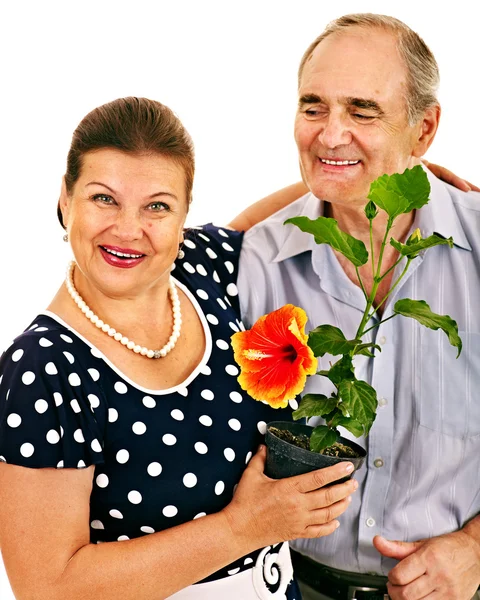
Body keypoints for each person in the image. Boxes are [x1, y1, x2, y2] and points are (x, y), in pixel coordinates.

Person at [0, 97, 359, 600]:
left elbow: (260, 224)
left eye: (157, 206)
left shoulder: (201, 267)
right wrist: (245, 527)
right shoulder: (45, 368)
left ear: (184, 216)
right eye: (103, 198)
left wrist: (387, 166)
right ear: (65, 198)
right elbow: (47, 586)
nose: (128, 229)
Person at [236, 13, 480, 600]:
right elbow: (141, 260)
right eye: (313, 106)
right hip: (289, 588)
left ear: (424, 131)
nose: (329, 133)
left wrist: (476, 547)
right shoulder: (255, 262)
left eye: (362, 111)